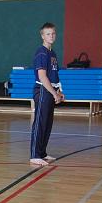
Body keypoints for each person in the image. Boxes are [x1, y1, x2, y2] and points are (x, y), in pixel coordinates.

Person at [30, 22, 64, 166]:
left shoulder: (53, 53)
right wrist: (54, 93)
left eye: (53, 33)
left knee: (48, 123)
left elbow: (55, 74)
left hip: (51, 90)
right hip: (43, 91)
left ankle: (42, 152)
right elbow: (42, 76)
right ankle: (34, 155)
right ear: (42, 36)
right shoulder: (42, 53)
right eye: (48, 34)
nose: (51, 36)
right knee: (40, 123)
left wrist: (59, 91)